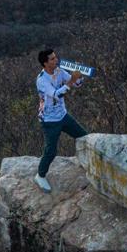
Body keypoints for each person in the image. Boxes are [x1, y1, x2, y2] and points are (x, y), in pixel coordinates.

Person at [34, 48, 88, 192]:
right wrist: (72, 81)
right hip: (49, 120)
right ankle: (40, 175)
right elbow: (57, 94)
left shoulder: (58, 71)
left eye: (55, 57)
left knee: (84, 137)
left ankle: (88, 162)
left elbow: (76, 84)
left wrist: (78, 77)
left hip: (63, 115)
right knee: (51, 151)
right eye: (52, 59)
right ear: (45, 63)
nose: (56, 60)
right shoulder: (41, 80)